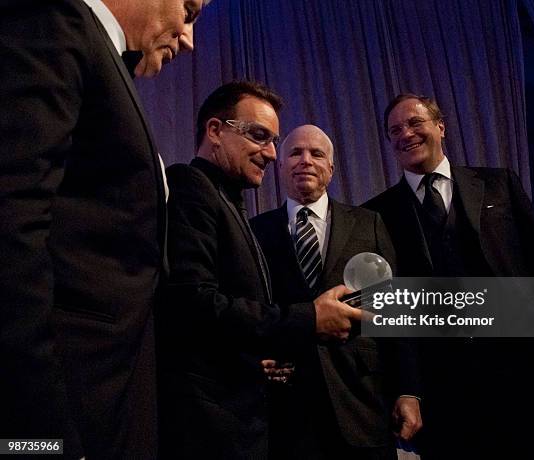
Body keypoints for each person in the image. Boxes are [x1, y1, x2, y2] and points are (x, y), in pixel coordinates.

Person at [0, 0, 204, 458]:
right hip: (61, 408)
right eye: (189, 11)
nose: (189, 39)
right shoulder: (56, 19)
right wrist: (41, 437)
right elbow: (11, 230)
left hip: (112, 405)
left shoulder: (106, 63)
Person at [363, 94, 534, 460]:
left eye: (415, 123)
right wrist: (407, 389)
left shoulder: (499, 184)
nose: (406, 134)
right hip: (445, 385)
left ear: (440, 127)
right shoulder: (376, 214)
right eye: (395, 130)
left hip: (527, 369)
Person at [157, 82, 362, 459]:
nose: (271, 153)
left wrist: (254, 360)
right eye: (258, 136)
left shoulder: (228, 202)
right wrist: (310, 318)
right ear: (215, 131)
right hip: (209, 429)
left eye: (273, 140)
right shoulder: (191, 186)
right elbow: (192, 304)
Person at [250, 124, 423, 459]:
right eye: (295, 153)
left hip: (362, 402)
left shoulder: (369, 223)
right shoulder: (255, 231)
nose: (305, 161)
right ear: (280, 165)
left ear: (331, 167)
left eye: (316, 154)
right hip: (286, 410)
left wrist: (409, 391)